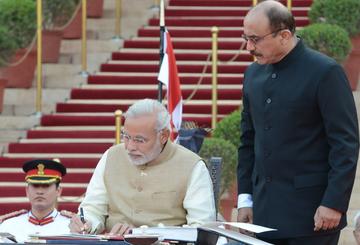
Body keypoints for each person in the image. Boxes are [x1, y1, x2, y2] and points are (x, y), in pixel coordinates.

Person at [236, 1, 359, 244]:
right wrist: (245, 198)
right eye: (245, 38)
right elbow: (248, 140)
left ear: (284, 35)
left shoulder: (325, 72)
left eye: (255, 39)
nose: (248, 47)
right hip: (264, 214)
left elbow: (345, 144)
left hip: (313, 215)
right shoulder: (252, 74)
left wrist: (333, 203)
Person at [69, 98, 216, 235]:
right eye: (126, 136)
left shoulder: (191, 166)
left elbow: (201, 229)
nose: (130, 147)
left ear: (163, 136)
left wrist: (146, 236)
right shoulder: (112, 156)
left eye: (139, 140)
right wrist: (87, 223)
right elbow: (93, 208)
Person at [0, 159, 72, 243]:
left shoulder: (70, 227)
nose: (39, 192)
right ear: (27, 191)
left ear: (58, 191)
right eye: (35, 186)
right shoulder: (8, 226)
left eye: (46, 186)